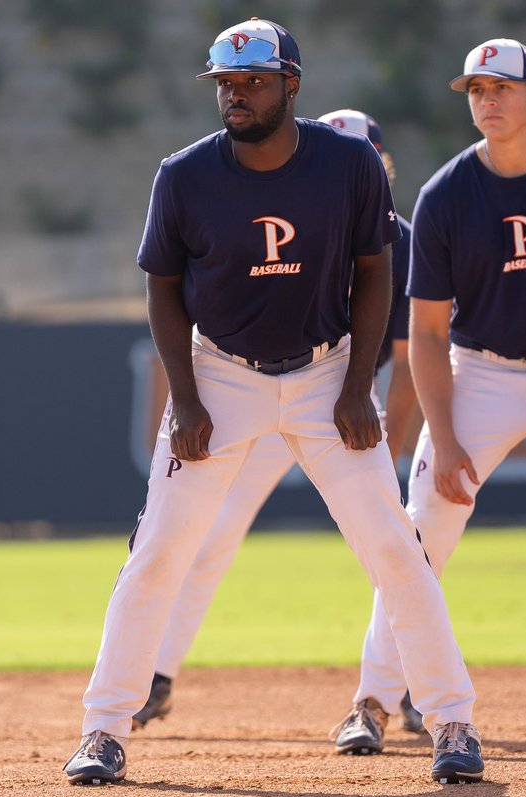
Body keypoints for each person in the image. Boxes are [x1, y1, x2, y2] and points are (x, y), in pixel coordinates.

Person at [63, 18, 484, 787]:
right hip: (221, 371)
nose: (235, 94)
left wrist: (358, 386)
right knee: (159, 550)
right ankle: (104, 728)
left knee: (395, 547)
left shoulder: (351, 165)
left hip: (326, 373)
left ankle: (452, 719)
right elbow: (162, 289)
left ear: (292, 83)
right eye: (224, 82)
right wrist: (186, 400)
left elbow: (374, 271)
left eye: (252, 80)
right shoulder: (184, 175)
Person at [327, 36, 526, 762]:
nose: (487, 100)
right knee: (417, 540)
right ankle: (373, 701)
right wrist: (445, 435)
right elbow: (428, 335)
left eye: (501, 87)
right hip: (479, 374)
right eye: (475, 90)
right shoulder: (445, 194)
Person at [131, 108, 425, 737]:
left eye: (363, 153)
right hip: (252, 386)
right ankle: (154, 676)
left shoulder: (394, 236)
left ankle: (405, 685)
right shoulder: (285, 208)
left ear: (378, 164)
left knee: (391, 546)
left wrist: (390, 436)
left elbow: (410, 355)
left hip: (341, 401)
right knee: (208, 539)